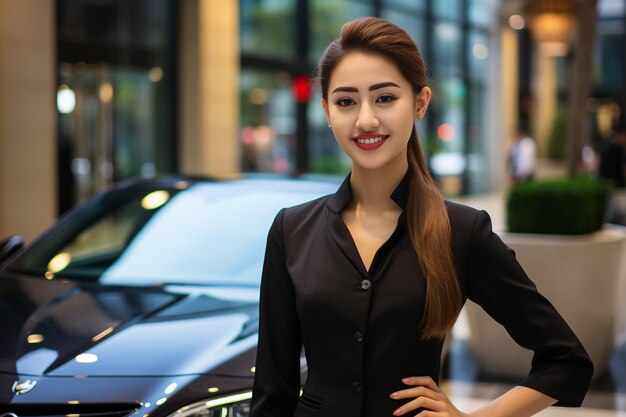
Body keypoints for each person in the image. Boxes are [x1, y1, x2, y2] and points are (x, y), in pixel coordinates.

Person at [250, 17, 593, 417]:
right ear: (326, 111)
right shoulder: (291, 230)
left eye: (385, 98)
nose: (365, 120)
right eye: (346, 101)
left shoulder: (462, 232)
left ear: (420, 103)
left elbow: (566, 360)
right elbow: (272, 391)